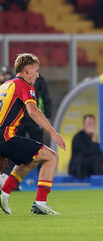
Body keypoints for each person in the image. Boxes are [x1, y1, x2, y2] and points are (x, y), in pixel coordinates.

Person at [0, 53, 66, 215]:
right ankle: (40, 202)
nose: (37, 75)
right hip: (5, 137)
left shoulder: (5, 85)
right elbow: (33, 111)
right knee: (51, 156)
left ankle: (4, 192)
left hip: (2, 138)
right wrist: (53, 133)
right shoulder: (24, 86)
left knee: (33, 159)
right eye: (36, 71)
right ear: (28, 70)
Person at [68, 114, 103, 179]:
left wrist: (101, 164)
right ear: (83, 125)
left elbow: (99, 153)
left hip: (91, 166)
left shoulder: (92, 137)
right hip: (79, 168)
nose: (91, 126)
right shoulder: (78, 138)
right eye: (89, 124)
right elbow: (89, 153)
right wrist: (94, 141)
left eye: (93, 124)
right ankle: (99, 182)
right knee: (97, 160)